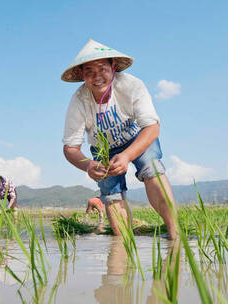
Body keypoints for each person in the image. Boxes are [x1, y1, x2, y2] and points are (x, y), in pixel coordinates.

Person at [62, 39, 178, 239]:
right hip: (103, 149)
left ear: (113, 67)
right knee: (111, 193)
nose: (96, 76)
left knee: (152, 169)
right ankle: (124, 247)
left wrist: (126, 155)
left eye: (102, 68)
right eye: (89, 71)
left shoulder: (131, 86)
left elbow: (151, 127)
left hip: (136, 138)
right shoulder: (79, 101)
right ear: (82, 74)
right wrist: (89, 165)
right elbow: (70, 148)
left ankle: (175, 233)